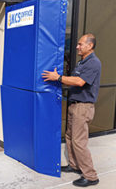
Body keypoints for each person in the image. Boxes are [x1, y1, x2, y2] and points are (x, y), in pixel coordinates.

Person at [42, 34, 101, 187]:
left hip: (83, 107)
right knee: (69, 136)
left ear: (90, 46)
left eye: (80, 44)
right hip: (74, 105)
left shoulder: (94, 63)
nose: (77, 47)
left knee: (79, 141)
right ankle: (74, 166)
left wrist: (58, 78)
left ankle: (91, 176)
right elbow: (74, 81)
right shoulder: (82, 63)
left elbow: (79, 82)